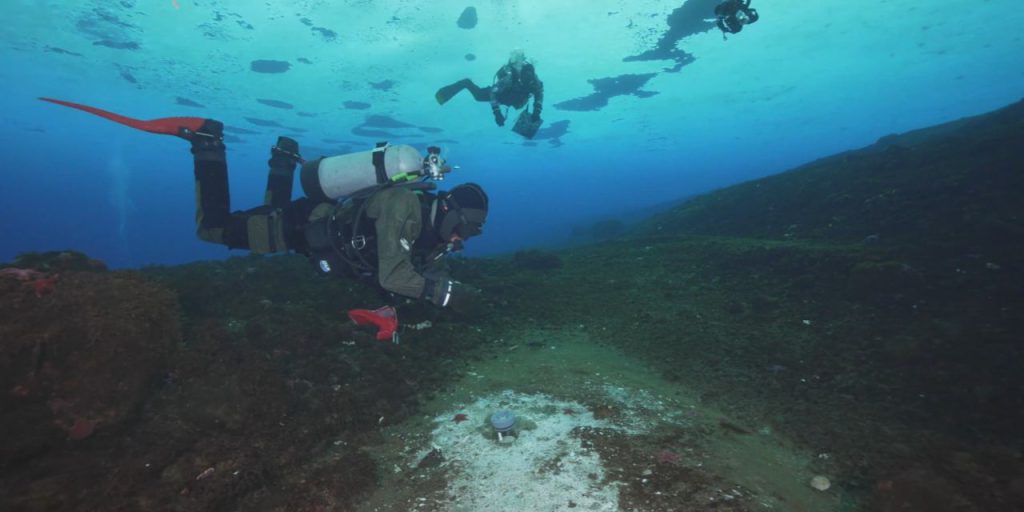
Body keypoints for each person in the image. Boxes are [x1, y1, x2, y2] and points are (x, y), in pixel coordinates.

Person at [37, 98, 488, 318]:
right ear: (448, 209)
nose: (461, 238)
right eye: (464, 228)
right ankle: (206, 143)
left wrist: (393, 310)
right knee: (214, 230)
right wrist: (445, 295)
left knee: (273, 215)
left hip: (309, 227)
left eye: (470, 233)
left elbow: (393, 273)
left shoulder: (428, 229)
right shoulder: (403, 207)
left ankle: (284, 158)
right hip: (299, 230)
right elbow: (393, 274)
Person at [435, 49, 544, 131]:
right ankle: (462, 84)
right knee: (477, 96)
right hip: (500, 94)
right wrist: (497, 113)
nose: (528, 80)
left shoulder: (535, 81)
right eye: (525, 78)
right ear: (521, 76)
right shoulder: (509, 79)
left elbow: (539, 94)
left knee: (522, 101)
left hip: (511, 99)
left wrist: (537, 112)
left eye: (530, 78)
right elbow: (493, 93)